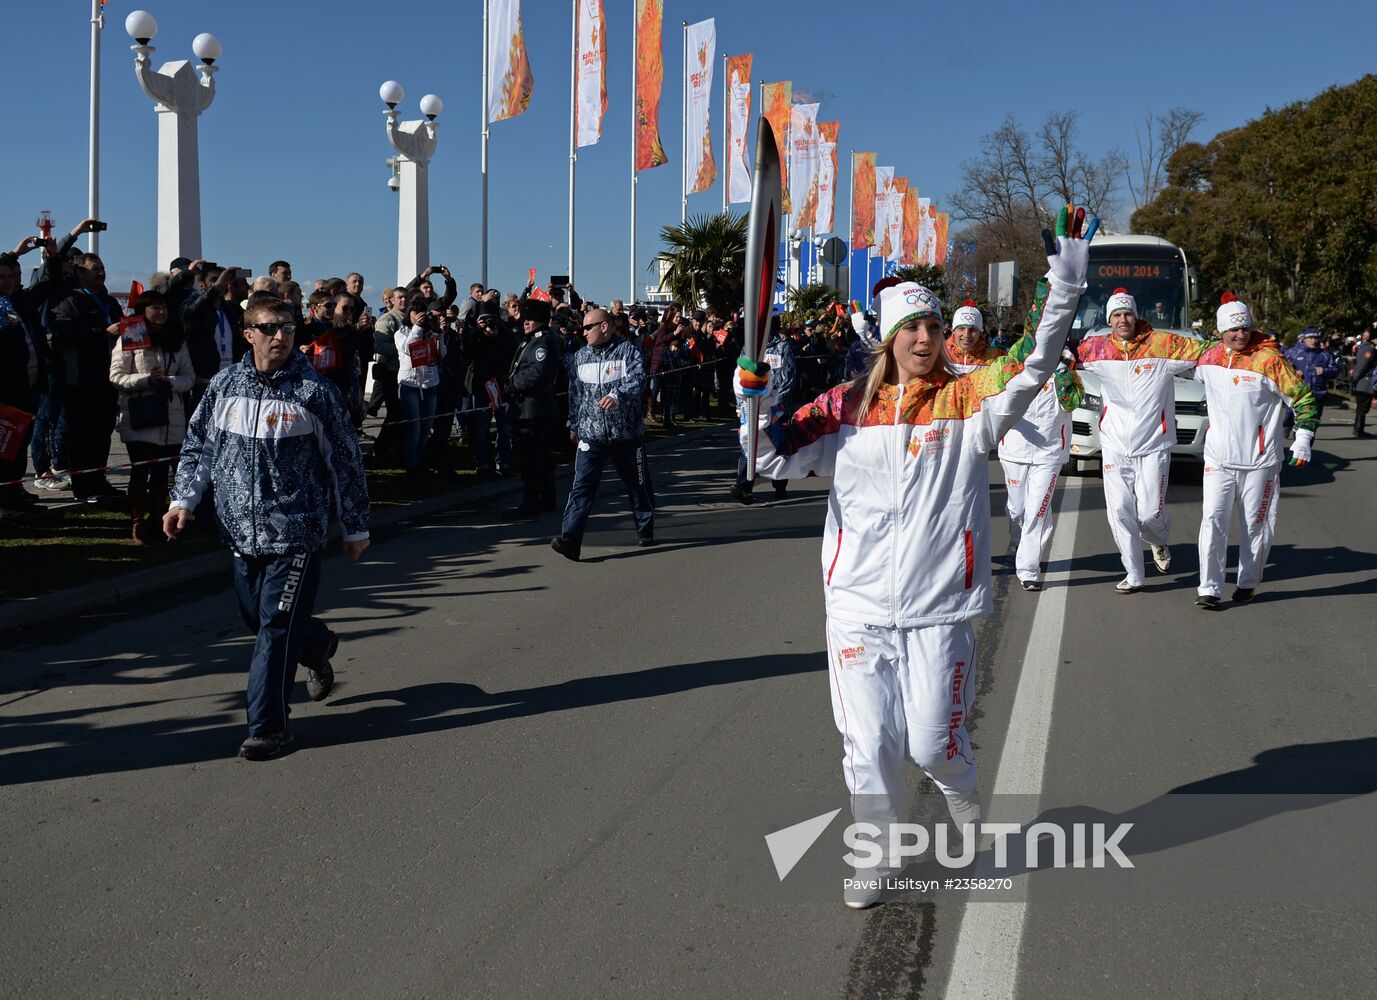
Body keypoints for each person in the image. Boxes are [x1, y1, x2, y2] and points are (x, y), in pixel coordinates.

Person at [736, 207, 1093, 908]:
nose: (926, 338)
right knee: (865, 745)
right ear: (889, 339)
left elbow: (1035, 359)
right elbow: (766, 456)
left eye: (933, 327)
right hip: (857, 608)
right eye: (913, 328)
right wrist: (747, 399)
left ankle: (962, 795)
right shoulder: (843, 407)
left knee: (932, 744)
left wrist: (1066, 282)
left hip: (938, 607)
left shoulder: (968, 400)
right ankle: (876, 855)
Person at [163, 295, 370, 761]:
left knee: (275, 627)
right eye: (270, 327)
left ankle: (269, 727)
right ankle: (317, 645)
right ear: (248, 332)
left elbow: (346, 462)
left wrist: (355, 526)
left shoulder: (313, 392)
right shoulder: (224, 386)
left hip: (295, 531)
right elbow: (199, 447)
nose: (281, 336)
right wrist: (183, 501)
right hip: (239, 531)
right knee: (258, 619)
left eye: (288, 328)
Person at [1076, 287, 1213, 594]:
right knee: (1120, 510)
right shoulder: (1096, 349)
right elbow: (1066, 356)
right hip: (1114, 442)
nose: (1123, 319)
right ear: (1109, 320)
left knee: (1150, 513)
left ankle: (1157, 540)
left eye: (1127, 314)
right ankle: (1134, 573)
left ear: (1136, 316)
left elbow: (1206, 353)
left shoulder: (1162, 344)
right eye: (1117, 315)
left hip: (1154, 442)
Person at [1192, 294, 1317, 608]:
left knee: (1256, 525)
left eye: (1245, 328)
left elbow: (1303, 399)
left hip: (1260, 462)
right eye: (1233, 329)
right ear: (1221, 330)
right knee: (1212, 520)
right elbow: (1165, 357)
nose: (1240, 334)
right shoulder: (1208, 358)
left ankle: (1247, 582)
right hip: (1218, 459)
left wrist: (1303, 439)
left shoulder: (1269, 360)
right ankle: (1209, 587)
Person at [996, 281, 1083, 591]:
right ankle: (1020, 539)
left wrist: (1062, 375)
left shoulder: (1066, 359)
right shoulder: (1014, 356)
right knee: (1018, 510)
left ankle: (1029, 568)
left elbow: (1073, 401)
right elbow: (996, 393)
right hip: (1015, 447)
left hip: (1049, 449)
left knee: (1037, 510)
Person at [550, 308, 655, 560]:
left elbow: (639, 379)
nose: (583, 332)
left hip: (625, 435)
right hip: (591, 435)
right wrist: (573, 424)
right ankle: (571, 539)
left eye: (589, 327)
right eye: (583, 328)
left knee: (637, 484)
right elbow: (575, 393)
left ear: (604, 327)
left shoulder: (627, 352)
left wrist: (616, 395)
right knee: (581, 488)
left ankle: (645, 527)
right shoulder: (580, 357)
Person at [107, 289, 195, 542]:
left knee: (161, 474)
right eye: (155, 307)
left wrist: (170, 381)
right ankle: (137, 520)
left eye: (164, 307)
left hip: (172, 416)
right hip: (141, 415)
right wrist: (146, 380)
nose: (161, 312)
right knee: (140, 471)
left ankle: (158, 520)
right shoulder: (131, 335)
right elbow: (116, 375)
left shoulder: (176, 337)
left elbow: (189, 375)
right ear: (143, 311)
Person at [50, 252, 123, 502]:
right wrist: (102, 333)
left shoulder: (110, 302)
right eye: (95, 269)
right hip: (81, 379)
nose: (101, 273)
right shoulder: (70, 300)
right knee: (82, 434)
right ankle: (83, 487)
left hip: (108, 377)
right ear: (80, 272)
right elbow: (65, 334)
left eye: (102, 268)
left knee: (102, 432)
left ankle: (99, 481)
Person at [506, 298, 562, 516]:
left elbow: (538, 374)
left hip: (534, 408)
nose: (526, 322)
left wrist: (513, 385)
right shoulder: (531, 340)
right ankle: (546, 498)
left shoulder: (543, 342)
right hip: (529, 408)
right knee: (538, 457)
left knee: (533, 458)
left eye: (530, 319)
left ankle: (532, 501)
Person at [731, 318, 795, 504]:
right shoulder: (747, 350)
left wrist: (778, 406)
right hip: (751, 408)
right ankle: (744, 487)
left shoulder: (782, 347)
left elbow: (788, 378)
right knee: (747, 445)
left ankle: (780, 485)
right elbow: (740, 379)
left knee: (778, 446)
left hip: (776, 409)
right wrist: (738, 405)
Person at [395, 297, 445, 478]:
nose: (419, 316)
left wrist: (439, 333)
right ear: (409, 314)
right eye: (415, 312)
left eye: (421, 312)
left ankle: (421, 461)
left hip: (430, 383)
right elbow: (409, 348)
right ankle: (411, 466)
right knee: (414, 427)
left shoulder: (430, 332)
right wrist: (417, 327)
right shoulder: (401, 333)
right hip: (410, 384)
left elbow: (441, 354)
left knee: (426, 427)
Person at [1284, 328, 1338, 425]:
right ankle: (1288, 425)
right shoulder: (1294, 352)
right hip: (1299, 393)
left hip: (1317, 394)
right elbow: (1282, 368)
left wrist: (1324, 371)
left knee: (1311, 423)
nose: (1314, 341)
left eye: (1316, 338)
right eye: (1311, 338)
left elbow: (1335, 370)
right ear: (1304, 339)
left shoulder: (1325, 354)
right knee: (1294, 418)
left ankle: (1307, 438)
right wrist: (1294, 372)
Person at [944, 299, 1002, 374]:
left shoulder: (995, 356)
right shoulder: (940, 353)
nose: (966, 335)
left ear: (980, 332)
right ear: (954, 331)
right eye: (961, 328)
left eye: (972, 330)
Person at [1350, 328, 1375, 437]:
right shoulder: (1369, 349)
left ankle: (1359, 429)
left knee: (1363, 406)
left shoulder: (1368, 347)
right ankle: (1358, 430)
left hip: (1364, 381)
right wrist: (1355, 378)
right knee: (1362, 407)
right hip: (1365, 382)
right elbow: (1362, 366)